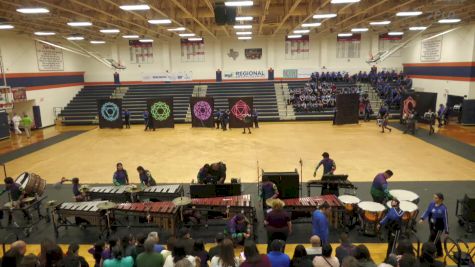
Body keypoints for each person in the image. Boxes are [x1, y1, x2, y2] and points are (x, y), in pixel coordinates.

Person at [419, 193, 449, 257]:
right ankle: (440, 253)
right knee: (436, 239)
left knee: (434, 241)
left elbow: (445, 220)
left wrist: (446, 231)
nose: (434, 199)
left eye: (436, 198)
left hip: (439, 227)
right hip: (432, 225)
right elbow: (427, 211)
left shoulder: (443, 209)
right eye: (434, 197)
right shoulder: (432, 204)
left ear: (440, 199)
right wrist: (422, 218)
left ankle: (432, 254)